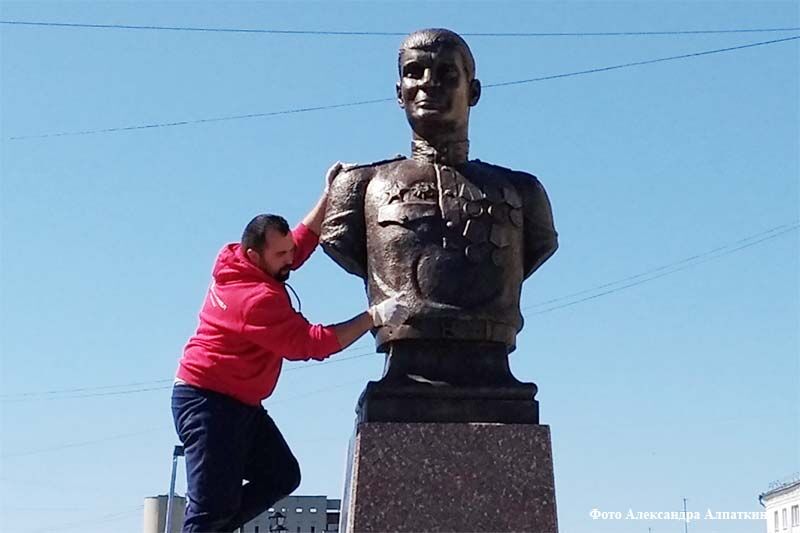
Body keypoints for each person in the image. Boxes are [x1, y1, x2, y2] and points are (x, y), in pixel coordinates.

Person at [320, 29, 558, 424]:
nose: (428, 83)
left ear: (474, 91)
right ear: (399, 92)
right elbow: (340, 244)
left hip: (495, 372)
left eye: (446, 74)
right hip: (404, 370)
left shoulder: (522, 190)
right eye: (415, 72)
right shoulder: (360, 186)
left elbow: (538, 248)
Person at [172, 162, 409, 532]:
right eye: (281, 256)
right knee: (207, 511)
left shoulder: (244, 263)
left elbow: (300, 240)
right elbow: (311, 344)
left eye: (286, 251)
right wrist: (373, 317)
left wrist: (330, 194)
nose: (290, 259)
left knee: (281, 475)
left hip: (240, 404)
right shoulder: (253, 299)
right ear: (255, 257)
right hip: (208, 404)